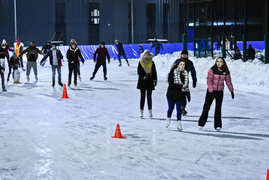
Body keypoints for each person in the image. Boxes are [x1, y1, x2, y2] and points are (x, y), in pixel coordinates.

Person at [198, 57, 234, 131]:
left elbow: (228, 82)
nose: (219, 63)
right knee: (206, 107)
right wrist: (211, 90)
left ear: (223, 63)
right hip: (211, 91)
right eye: (217, 61)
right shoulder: (212, 70)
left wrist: (231, 91)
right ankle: (201, 123)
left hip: (219, 92)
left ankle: (217, 125)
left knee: (218, 108)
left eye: (220, 61)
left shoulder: (225, 71)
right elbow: (209, 80)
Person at [165, 59, 188, 131]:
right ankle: (168, 119)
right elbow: (172, 85)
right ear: (177, 65)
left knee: (179, 109)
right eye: (181, 64)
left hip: (179, 95)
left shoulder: (185, 74)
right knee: (171, 108)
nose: (182, 66)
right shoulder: (172, 73)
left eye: (183, 65)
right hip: (171, 94)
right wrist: (181, 86)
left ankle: (179, 123)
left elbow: (186, 85)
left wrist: (187, 93)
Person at [174, 50, 197, 115]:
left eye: (185, 54)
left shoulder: (189, 63)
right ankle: (179, 106)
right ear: (181, 55)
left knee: (184, 94)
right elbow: (172, 70)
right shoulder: (177, 62)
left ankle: (183, 107)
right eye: (183, 54)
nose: (184, 56)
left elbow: (193, 72)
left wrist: (194, 80)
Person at [137, 50, 157, 118]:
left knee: (149, 97)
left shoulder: (152, 62)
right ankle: (141, 111)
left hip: (149, 81)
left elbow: (154, 71)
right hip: (142, 81)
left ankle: (150, 111)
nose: (146, 56)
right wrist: (143, 76)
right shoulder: (140, 62)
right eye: (145, 55)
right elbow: (139, 71)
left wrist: (155, 79)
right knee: (142, 97)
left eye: (148, 55)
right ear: (143, 55)